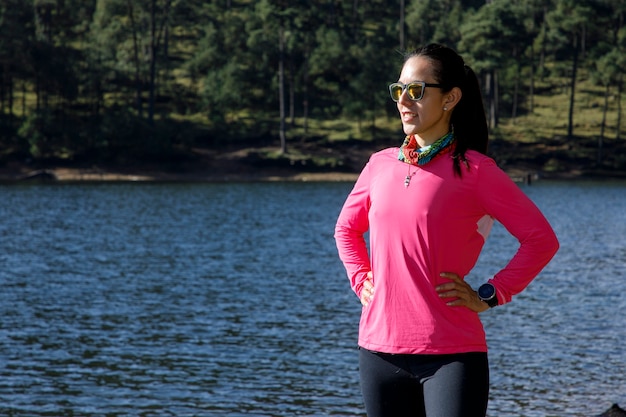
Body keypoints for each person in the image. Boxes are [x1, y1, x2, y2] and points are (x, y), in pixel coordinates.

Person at [334, 43, 559, 417]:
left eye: (417, 90)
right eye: (399, 90)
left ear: (451, 97)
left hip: (452, 357)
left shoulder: (475, 170)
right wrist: (361, 278)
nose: (404, 100)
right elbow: (346, 230)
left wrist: (491, 293)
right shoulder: (379, 165)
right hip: (377, 351)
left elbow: (541, 240)